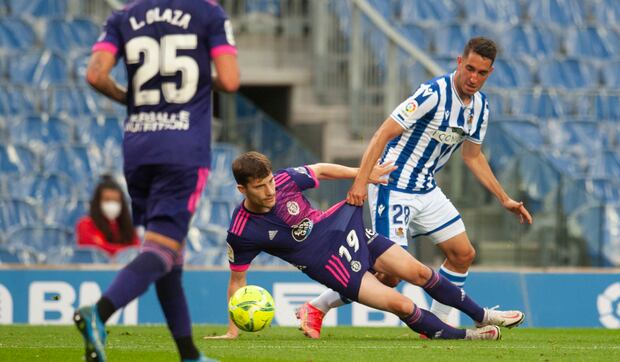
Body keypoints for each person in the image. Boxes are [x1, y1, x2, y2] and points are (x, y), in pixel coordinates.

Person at [300, 36, 533, 338]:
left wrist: (504, 198)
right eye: (470, 69)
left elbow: (472, 156)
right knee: (389, 274)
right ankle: (318, 306)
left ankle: (436, 325)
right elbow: (382, 133)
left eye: (482, 73)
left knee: (462, 253)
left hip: (426, 188)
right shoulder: (433, 93)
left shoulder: (480, 107)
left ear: (490, 72)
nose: (474, 78)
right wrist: (361, 181)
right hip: (393, 185)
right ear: (460, 62)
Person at [207, 151, 524, 341]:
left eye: (270, 182)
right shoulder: (242, 231)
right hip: (331, 267)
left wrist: (364, 174)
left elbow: (319, 170)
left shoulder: (286, 181)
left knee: (417, 272)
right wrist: (233, 329)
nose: (270, 190)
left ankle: (482, 315)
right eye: (260, 187)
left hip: (345, 231)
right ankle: (469, 336)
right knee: (400, 305)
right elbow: (237, 281)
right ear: (241, 188)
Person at [73, 1, 239, 361]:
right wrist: (193, 78)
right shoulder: (208, 14)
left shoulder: (123, 16)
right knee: (163, 249)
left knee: (168, 252)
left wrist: (128, 98)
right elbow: (229, 80)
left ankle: (188, 353)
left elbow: (95, 75)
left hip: (139, 146)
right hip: (182, 149)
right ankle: (98, 313)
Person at [76, 175, 140, 257]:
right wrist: (124, 251)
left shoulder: (129, 228)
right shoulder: (85, 224)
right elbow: (97, 250)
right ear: (98, 202)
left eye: (116, 200)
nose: (112, 204)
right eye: (107, 200)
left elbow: (135, 250)